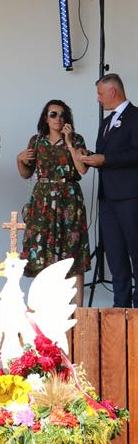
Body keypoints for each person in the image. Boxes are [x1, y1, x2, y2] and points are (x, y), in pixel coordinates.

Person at [16, 99, 90, 305]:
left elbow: (82, 170)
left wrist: (69, 143)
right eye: (53, 114)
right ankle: (40, 307)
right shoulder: (36, 141)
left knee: (73, 250)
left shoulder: (77, 140)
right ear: (46, 118)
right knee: (41, 250)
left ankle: (78, 310)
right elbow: (26, 174)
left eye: (62, 114)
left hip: (69, 200)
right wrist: (19, 159)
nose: (58, 118)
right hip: (43, 201)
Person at [83, 73, 138, 307]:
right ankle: (120, 308)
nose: (98, 99)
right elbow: (104, 156)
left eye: (100, 93)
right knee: (115, 256)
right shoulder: (106, 123)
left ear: (113, 91)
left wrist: (106, 159)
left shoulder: (135, 117)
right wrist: (88, 157)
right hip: (107, 199)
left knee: (136, 252)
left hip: (130, 197)